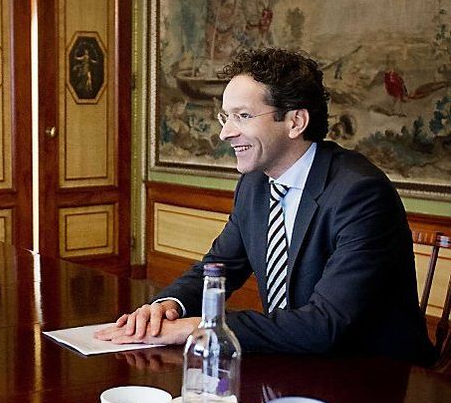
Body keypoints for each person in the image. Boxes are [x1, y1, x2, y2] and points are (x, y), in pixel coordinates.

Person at [96, 48, 436, 366]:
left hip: (374, 380)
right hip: (296, 367)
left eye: (242, 116)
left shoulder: (360, 194)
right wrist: (167, 307)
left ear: (295, 122)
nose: (225, 133)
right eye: (224, 117)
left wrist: (200, 326)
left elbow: (324, 324)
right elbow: (218, 268)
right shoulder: (255, 183)